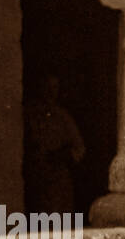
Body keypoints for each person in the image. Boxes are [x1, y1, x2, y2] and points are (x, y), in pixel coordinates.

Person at [24, 74, 84, 213]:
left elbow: (79, 148)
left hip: (57, 179)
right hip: (35, 176)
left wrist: (61, 156)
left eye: (54, 88)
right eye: (47, 88)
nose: (50, 93)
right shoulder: (29, 115)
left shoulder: (63, 117)